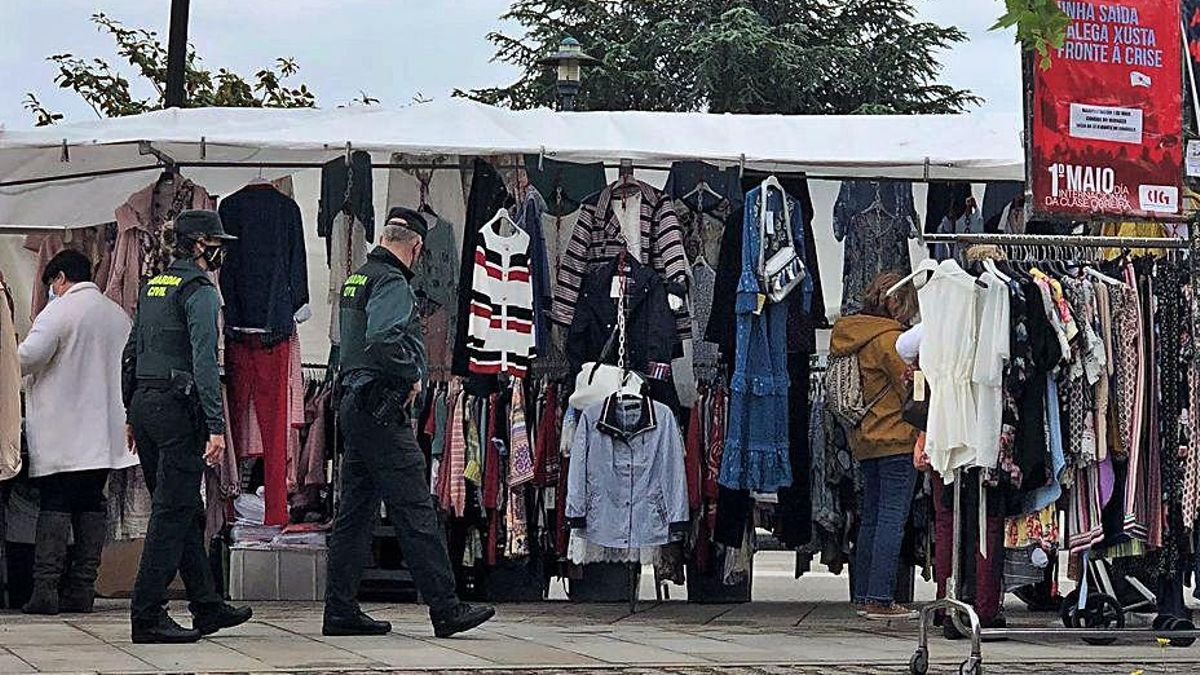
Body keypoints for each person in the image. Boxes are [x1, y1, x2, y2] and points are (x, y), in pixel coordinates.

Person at [324, 207, 494, 638]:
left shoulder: (358, 276)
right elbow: (383, 337)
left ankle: (340, 610)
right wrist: (410, 373)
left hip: (356, 406)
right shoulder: (392, 282)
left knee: (355, 514)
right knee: (416, 508)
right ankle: (446, 608)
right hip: (382, 407)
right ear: (415, 246)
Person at [123, 210, 252, 644]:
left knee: (184, 508)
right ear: (199, 245)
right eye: (217, 242)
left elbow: (132, 349)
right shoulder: (200, 292)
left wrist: (130, 410)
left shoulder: (153, 285)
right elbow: (204, 363)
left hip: (146, 402)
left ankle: (206, 604)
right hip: (179, 410)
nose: (221, 251)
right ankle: (147, 614)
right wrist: (216, 426)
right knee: (172, 512)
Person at [18, 250, 138, 614]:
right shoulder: (117, 314)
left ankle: (45, 590)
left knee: (56, 503)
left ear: (59, 278)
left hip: (64, 430)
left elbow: (27, 357)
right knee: (91, 502)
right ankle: (82, 587)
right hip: (105, 432)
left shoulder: (58, 311)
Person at [830, 270, 921, 620]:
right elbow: (912, 389)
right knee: (891, 519)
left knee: (871, 518)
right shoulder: (892, 341)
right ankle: (881, 599)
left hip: (867, 438)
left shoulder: (857, 333)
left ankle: (865, 594)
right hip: (896, 438)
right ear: (898, 303)